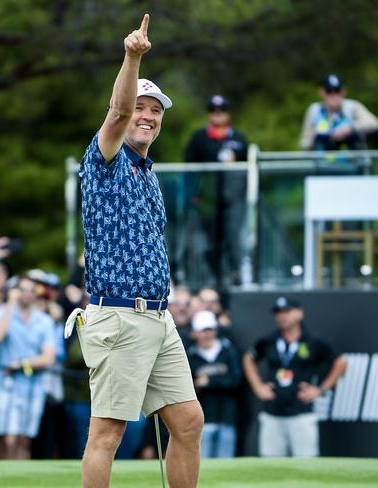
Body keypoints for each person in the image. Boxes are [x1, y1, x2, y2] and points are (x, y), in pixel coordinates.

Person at [76, 14, 203, 488]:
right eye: (141, 108)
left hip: (158, 318)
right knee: (107, 434)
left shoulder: (148, 172)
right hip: (118, 318)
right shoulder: (102, 160)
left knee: (188, 422)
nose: (146, 116)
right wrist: (132, 57)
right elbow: (116, 114)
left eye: (156, 111)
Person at [243, 296, 347, 457]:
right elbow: (249, 358)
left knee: (306, 465)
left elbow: (340, 362)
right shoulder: (269, 339)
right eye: (278, 312)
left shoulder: (313, 341)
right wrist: (258, 386)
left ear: (300, 313)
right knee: (269, 468)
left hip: (301, 414)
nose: (282, 316)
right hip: (272, 413)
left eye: (287, 311)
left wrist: (321, 389)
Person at [184, 95, 249, 285]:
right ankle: (212, 278)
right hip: (207, 201)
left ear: (228, 114)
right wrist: (192, 196)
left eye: (222, 111)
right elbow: (189, 170)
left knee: (233, 239)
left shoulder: (239, 138)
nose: (218, 115)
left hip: (233, 200)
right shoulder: (199, 138)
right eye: (214, 111)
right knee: (209, 242)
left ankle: (235, 276)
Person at [0, 276, 55, 460]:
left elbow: (48, 357)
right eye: (22, 289)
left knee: (24, 439)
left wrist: (22, 364)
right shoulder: (2, 313)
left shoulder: (44, 320)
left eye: (30, 290)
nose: (26, 294)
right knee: (7, 438)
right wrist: (10, 303)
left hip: (34, 385)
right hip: (6, 385)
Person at [186, 310, 241, 458]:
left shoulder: (228, 351)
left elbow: (236, 380)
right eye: (203, 331)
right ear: (195, 333)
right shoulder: (190, 355)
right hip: (203, 418)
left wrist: (209, 382)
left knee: (225, 463)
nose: (206, 334)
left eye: (209, 330)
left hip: (227, 416)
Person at [299, 73, 378, 151]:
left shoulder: (352, 107)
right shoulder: (314, 110)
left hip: (354, 164)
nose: (334, 94)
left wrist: (349, 129)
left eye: (337, 90)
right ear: (322, 92)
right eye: (329, 91)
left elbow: (375, 123)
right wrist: (317, 136)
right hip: (323, 164)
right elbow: (304, 143)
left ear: (343, 91)